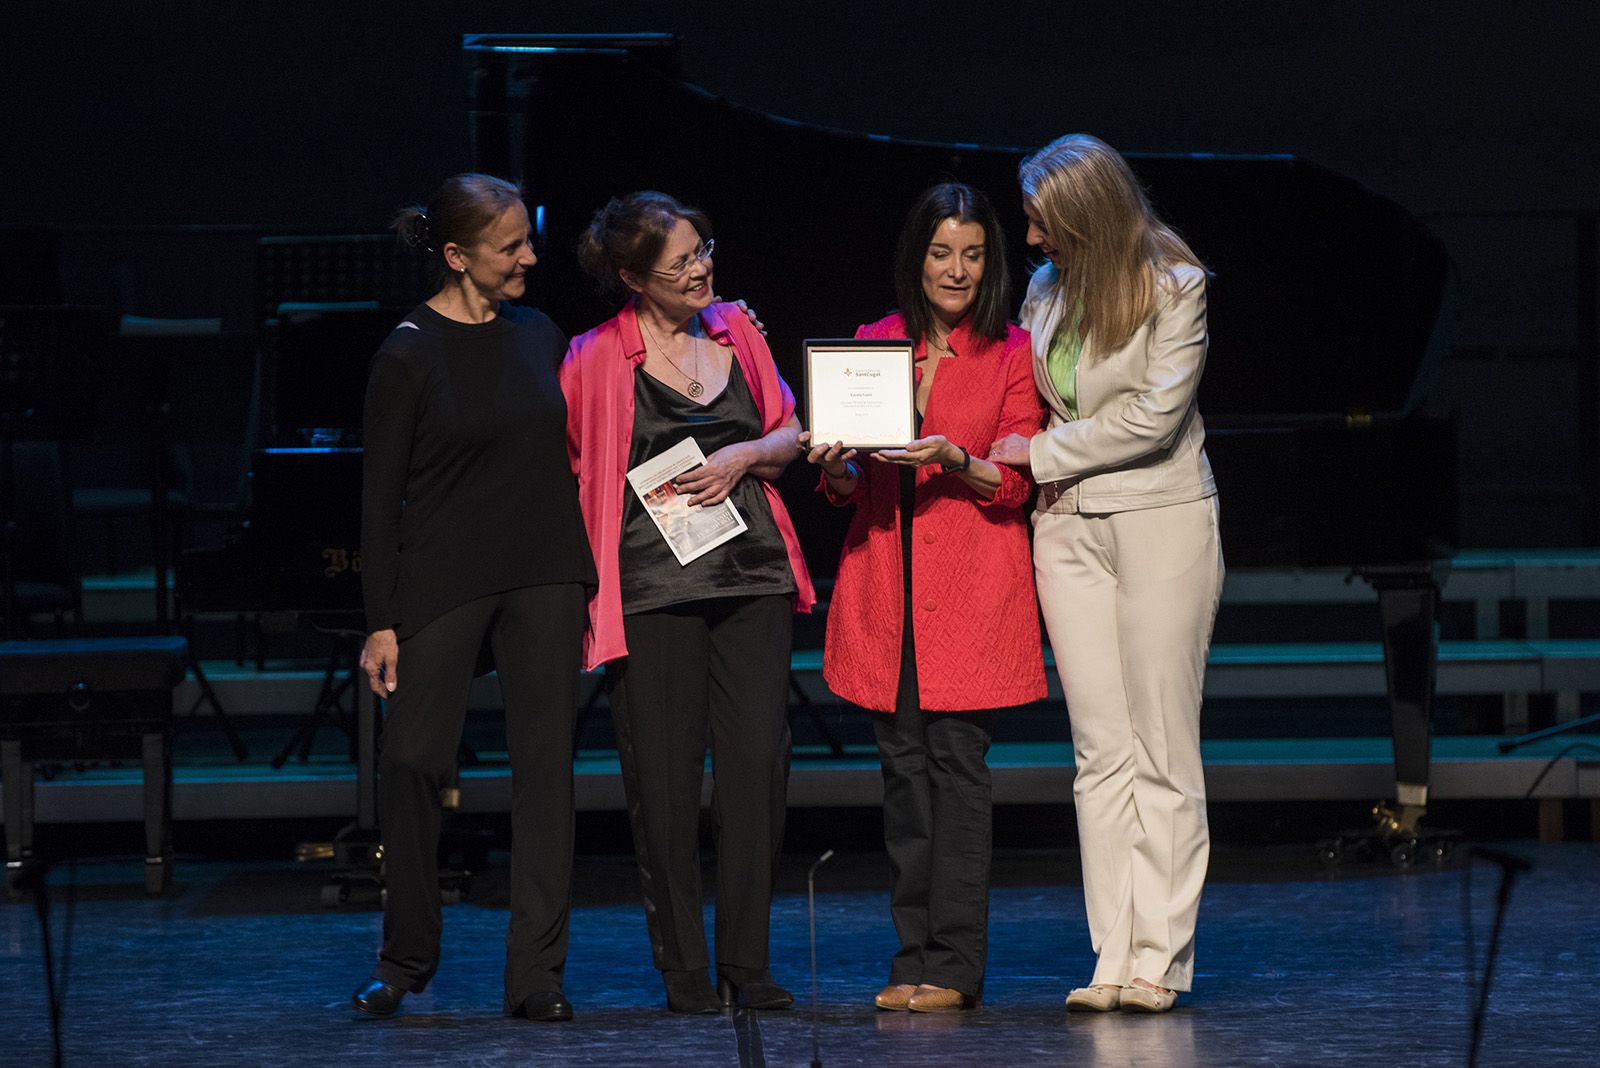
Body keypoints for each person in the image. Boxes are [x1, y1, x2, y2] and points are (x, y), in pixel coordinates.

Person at [560, 191, 816, 1015]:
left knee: (753, 772)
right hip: (651, 590)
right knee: (665, 783)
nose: (702, 267)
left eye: (704, 249)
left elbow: (789, 433)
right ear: (634, 277)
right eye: (681, 262)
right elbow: (571, 472)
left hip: (753, 579)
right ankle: (686, 971)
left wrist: (745, 453)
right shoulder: (595, 356)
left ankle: (748, 962)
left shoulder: (738, 330)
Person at [989, 134, 1224, 1014]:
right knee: (1100, 753)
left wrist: (1041, 452)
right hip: (1067, 531)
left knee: (1163, 744)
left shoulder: (1176, 285)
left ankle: (1160, 958)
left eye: (1040, 216)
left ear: (1083, 209)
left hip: (1160, 519)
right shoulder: (1048, 290)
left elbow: (1153, 419)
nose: (1032, 234)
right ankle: (1112, 954)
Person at [352, 173, 596, 1023]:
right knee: (414, 755)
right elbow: (379, 498)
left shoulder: (540, 333)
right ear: (457, 256)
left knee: (544, 772)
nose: (530, 256)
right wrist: (380, 619)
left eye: (529, 238)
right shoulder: (409, 351)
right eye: (511, 246)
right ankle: (405, 955)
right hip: (445, 572)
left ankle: (537, 974)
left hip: (543, 567)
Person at [803, 181, 1046, 1013]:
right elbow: (845, 481)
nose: (957, 269)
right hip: (886, 594)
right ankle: (910, 958)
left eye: (973, 254)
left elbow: (1016, 481)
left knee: (958, 776)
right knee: (904, 783)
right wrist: (834, 464)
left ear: (991, 261)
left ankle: (954, 966)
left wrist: (953, 457)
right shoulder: (874, 343)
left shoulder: (1011, 351)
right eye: (942, 252)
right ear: (919, 256)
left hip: (973, 594)